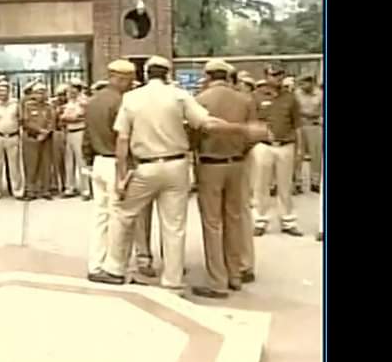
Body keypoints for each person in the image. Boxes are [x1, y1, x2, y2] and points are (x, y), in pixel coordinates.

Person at [91, 56, 265, 289]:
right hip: (176, 166)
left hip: (145, 166)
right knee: (174, 226)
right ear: (168, 74)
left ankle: (114, 268)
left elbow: (123, 140)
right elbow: (207, 124)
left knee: (123, 214)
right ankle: (172, 280)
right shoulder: (179, 95)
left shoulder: (132, 98)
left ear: (145, 74)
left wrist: (122, 176)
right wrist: (242, 128)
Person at [189, 59, 257, 299]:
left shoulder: (200, 100)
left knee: (212, 223)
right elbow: (253, 134)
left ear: (208, 75)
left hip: (210, 163)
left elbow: (193, 136)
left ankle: (217, 281)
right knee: (235, 219)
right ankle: (235, 273)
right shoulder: (245, 100)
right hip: (237, 162)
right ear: (228, 76)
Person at [83, 60, 138, 280]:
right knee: (119, 218)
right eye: (129, 80)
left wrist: (88, 159)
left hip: (98, 161)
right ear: (121, 79)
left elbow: (87, 136)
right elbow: (123, 138)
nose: (131, 84)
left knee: (100, 217)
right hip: (116, 162)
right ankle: (113, 266)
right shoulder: (122, 102)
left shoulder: (94, 101)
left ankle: (95, 263)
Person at [252, 65, 304, 237]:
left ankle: (288, 221)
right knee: (261, 185)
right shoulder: (256, 97)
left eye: (280, 74)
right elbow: (251, 123)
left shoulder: (290, 97)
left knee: (285, 186)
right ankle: (260, 220)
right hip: (263, 145)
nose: (277, 78)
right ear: (266, 76)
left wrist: (300, 148)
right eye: (273, 75)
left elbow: (297, 125)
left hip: (286, 144)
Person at [0, 80, 24, 200]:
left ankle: (17, 191)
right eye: (0, 90)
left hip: (12, 136)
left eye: (5, 90)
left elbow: (21, 120)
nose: (2, 93)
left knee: (14, 165)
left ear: (9, 91)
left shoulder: (15, 105)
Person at [22, 83, 55, 201]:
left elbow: (52, 121)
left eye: (43, 92)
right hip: (31, 138)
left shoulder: (49, 106)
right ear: (33, 94)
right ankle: (31, 190)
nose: (41, 95)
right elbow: (26, 122)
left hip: (46, 139)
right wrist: (39, 131)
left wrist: (46, 132)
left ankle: (46, 190)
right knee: (31, 165)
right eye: (38, 92)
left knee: (46, 164)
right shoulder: (28, 106)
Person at [294, 75, 323, 193]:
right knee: (298, 154)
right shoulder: (297, 94)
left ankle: (315, 182)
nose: (302, 86)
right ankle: (297, 182)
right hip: (300, 125)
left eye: (305, 83)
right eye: (301, 83)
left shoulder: (320, 94)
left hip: (314, 125)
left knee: (316, 155)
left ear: (311, 82)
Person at [62, 81, 90, 200]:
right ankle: (70, 187)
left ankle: (86, 190)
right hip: (69, 132)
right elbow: (63, 117)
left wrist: (67, 117)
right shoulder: (69, 101)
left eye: (72, 89)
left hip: (79, 131)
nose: (70, 92)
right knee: (69, 161)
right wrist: (66, 117)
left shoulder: (83, 101)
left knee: (81, 161)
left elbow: (76, 116)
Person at [50, 85, 69, 195]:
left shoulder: (70, 104)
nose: (62, 97)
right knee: (56, 160)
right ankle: (55, 184)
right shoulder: (53, 105)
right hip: (57, 133)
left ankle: (66, 183)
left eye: (64, 94)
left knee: (66, 161)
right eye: (60, 94)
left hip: (67, 132)